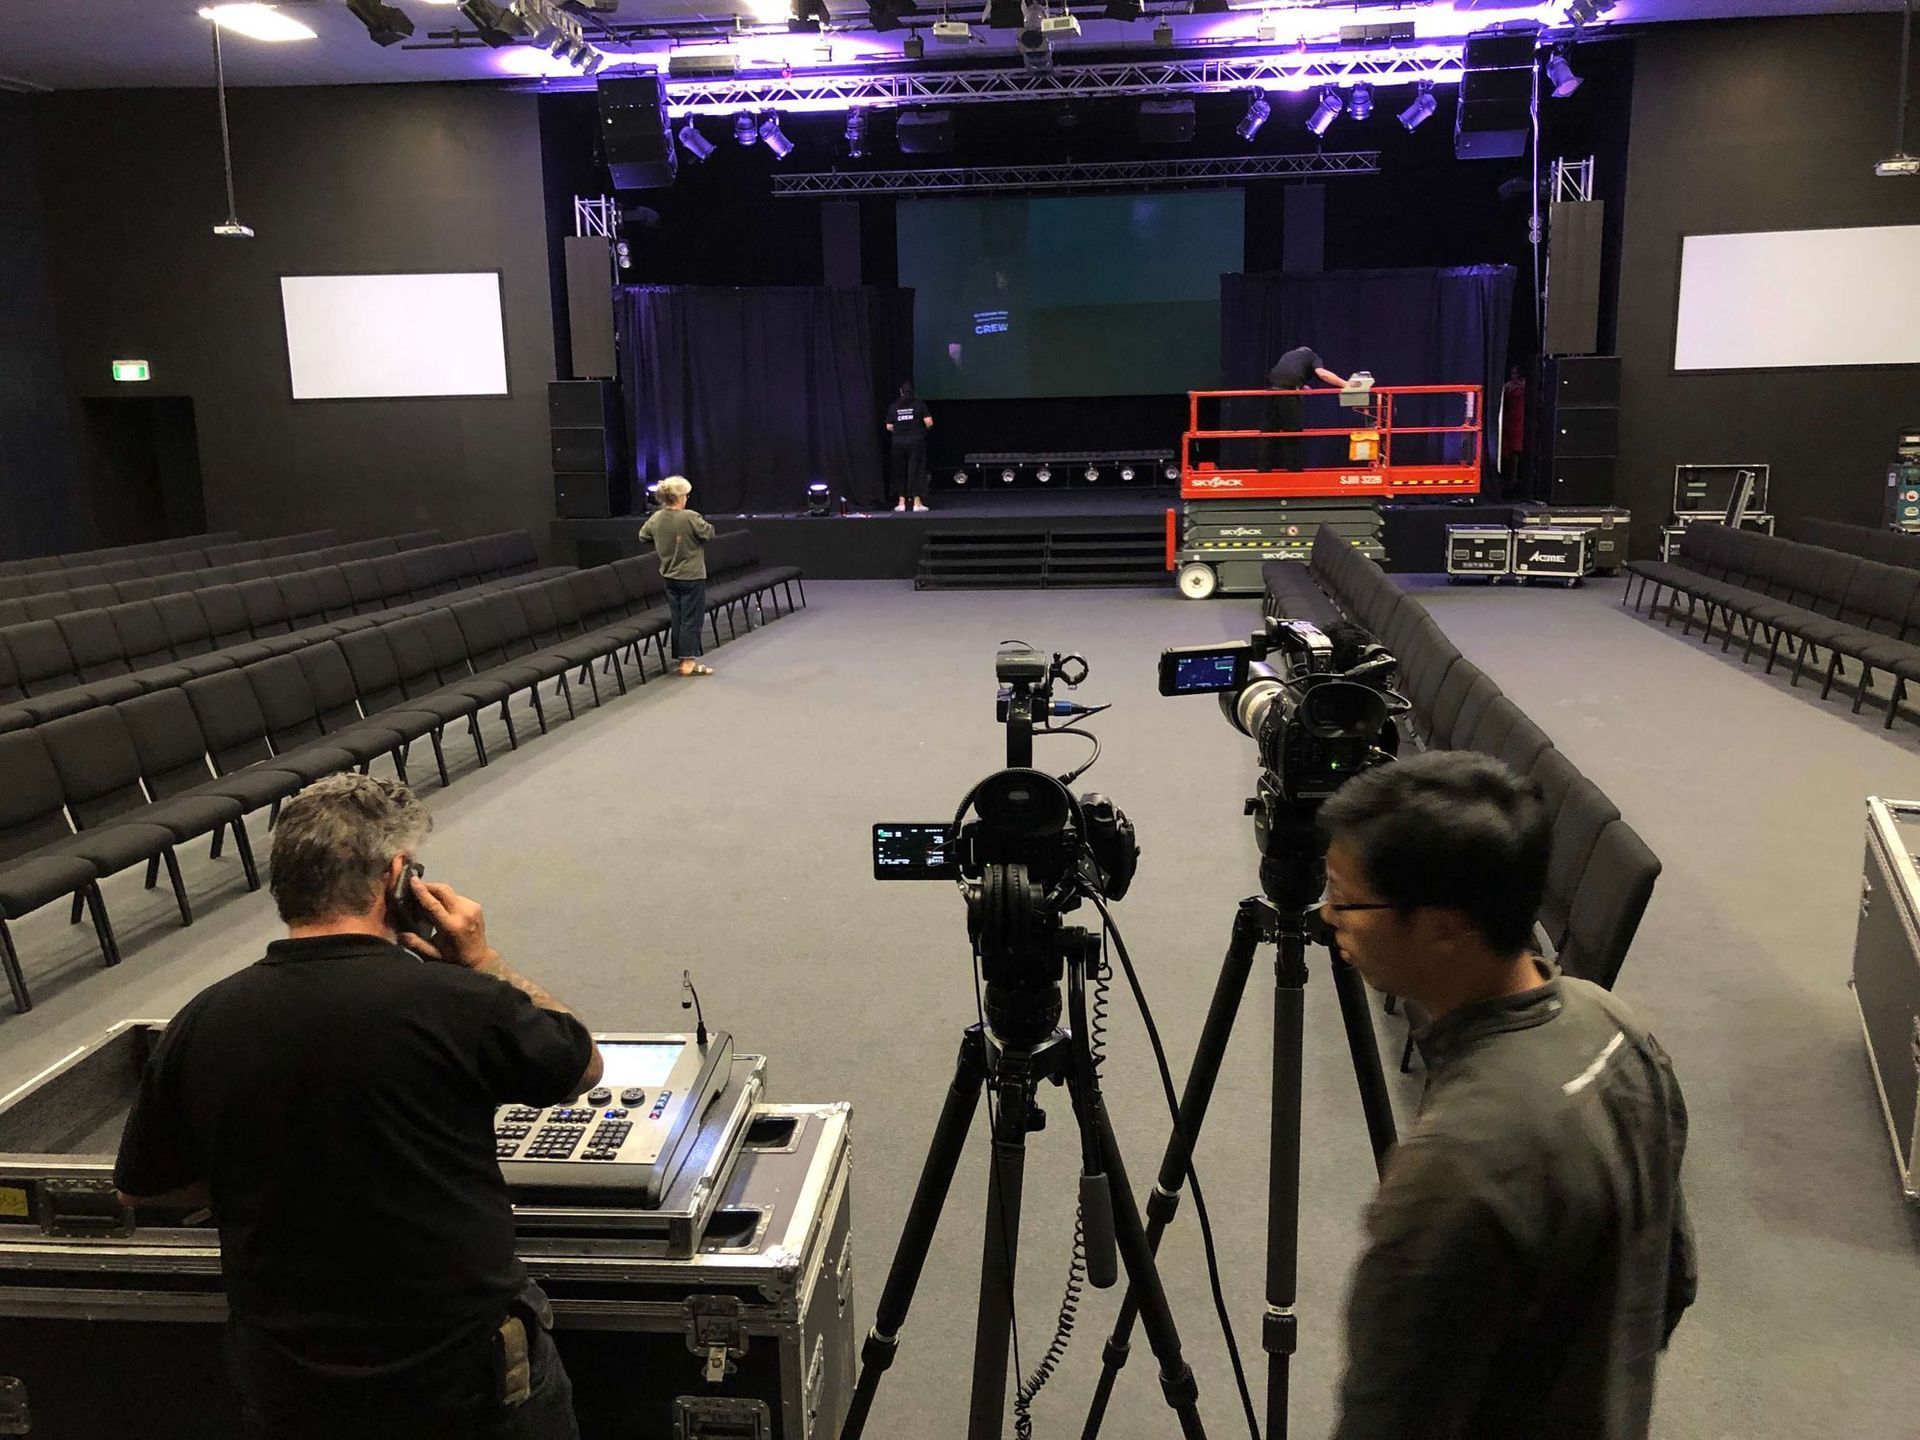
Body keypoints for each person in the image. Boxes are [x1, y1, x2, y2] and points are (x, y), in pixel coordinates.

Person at [114, 773, 605, 1440]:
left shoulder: (201, 1021)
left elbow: (145, 1188)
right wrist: (481, 958)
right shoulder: (461, 1004)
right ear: (397, 879)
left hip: (293, 1392)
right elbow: (579, 1065)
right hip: (463, 1387)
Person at [1317, 751, 1696, 1440]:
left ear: (1443, 926)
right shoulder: (1615, 1023)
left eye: (1345, 899)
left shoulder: (1453, 1167)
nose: (1325, 915)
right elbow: (1671, 1281)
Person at [639, 474, 717, 676]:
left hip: (669, 575)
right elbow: (709, 533)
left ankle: (683, 658)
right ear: (680, 497)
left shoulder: (656, 518)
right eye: (687, 495)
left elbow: (643, 536)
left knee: (678, 617)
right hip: (691, 576)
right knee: (691, 618)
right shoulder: (690, 517)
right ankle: (688, 661)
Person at [1263, 345, 1351, 471]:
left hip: (1271, 392)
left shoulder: (1287, 355)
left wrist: (1300, 386)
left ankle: (1264, 470)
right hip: (1288, 395)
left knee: (1268, 433)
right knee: (1292, 432)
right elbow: (1322, 374)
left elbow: (1285, 375)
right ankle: (1294, 472)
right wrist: (1346, 384)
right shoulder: (1312, 355)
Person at [885, 381, 933, 512]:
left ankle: (901, 503)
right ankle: (917, 503)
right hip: (916, 441)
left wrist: (900, 432)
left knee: (900, 471)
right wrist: (921, 432)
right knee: (916, 471)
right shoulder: (919, 404)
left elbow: (889, 426)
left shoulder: (894, 406)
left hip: (898, 442)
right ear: (914, 392)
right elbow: (929, 422)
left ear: (901, 392)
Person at [1500, 364, 1529, 496]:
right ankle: (1510, 481)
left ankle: (1516, 480)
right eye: (1513, 373)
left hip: (1522, 419)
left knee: (1518, 451)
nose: (1515, 376)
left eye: (1517, 373)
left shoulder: (1526, 385)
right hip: (1511, 420)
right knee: (1511, 452)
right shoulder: (1508, 386)